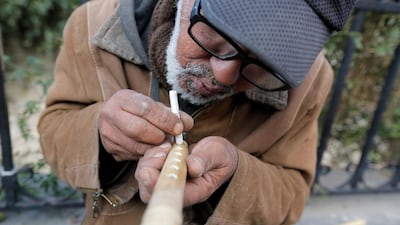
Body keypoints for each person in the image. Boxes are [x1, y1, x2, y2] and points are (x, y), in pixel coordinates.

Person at [38, 0, 357, 224]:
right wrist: (100, 134)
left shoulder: (309, 81)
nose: (224, 77)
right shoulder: (92, 25)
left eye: (261, 64)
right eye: (215, 38)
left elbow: (290, 197)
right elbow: (55, 131)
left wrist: (234, 176)